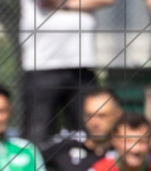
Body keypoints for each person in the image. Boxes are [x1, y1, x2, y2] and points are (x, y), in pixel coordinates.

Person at [19, 0, 116, 144]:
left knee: (89, 137)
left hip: (82, 67)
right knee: (37, 138)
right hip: (42, 66)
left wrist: (66, 5)